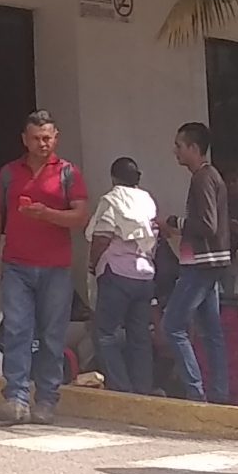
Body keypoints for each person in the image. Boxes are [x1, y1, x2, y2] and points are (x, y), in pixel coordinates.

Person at [0, 112, 82, 423]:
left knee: (52, 334)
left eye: (48, 138)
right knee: (17, 330)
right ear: (25, 139)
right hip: (17, 266)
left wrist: (46, 214)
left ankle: (47, 399)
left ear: (56, 138)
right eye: (37, 138)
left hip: (56, 268)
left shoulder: (68, 174)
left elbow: (80, 218)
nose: (43, 143)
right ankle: (16, 397)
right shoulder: (9, 173)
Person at [160, 122, 234, 405]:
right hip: (210, 263)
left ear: (193, 148)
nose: (175, 151)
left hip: (201, 264)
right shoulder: (211, 176)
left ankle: (195, 390)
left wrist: (173, 223)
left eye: (179, 145)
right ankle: (219, 393)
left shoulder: (203, 178)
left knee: (172, 325)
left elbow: (207, 224)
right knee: (211, 331)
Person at [88, 156, 160, 396]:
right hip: (144, 275)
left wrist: (92, 264)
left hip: (117, 275)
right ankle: (143, 390)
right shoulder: (147, 200)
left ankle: (121, 388)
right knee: (139, 336)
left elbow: (101, 238)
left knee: (104, 333)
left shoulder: (111, 200)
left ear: (113, 178)